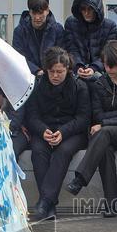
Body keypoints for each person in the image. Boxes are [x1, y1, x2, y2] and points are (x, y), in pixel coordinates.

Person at [66, 41, 117, 216]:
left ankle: (80, 178)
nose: (108, 69)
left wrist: (106, 123)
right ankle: (113, 203)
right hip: (107, 134)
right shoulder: (100, 83)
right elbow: (97, 114)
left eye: (113, 65)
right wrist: (116, 115)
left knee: (103, 132)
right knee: (104, 147)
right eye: (106, 64)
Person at [23, 47, 91, 222]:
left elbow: (83, 118)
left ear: (68, 70)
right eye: (51, 71)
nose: (55, 75)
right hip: (45, 130)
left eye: (59, 72)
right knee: (38, 151)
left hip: (72, 132)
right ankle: (50, 205)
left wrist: (63, 132)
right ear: (46, 70)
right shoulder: (38, 85)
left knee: (62, 152)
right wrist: (42, 130)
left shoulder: (79, 86)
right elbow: (32, 115)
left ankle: (45, 202)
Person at [64, 0, 117, 81]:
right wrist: (78, 66)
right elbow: (71, 49)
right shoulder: (71, 23)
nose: (86, 12)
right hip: (77, 72)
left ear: (97, 9)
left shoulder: (110, 26)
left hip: (101, 73)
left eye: (90, 9)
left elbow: (107, 53)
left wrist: (94, 68)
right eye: (83, 9)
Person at [12, 0, 65, 75]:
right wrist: (36, 71)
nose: (37, 17)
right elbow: (18, 58)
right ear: (29, 12)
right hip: (27, 77)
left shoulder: (58, 30)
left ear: (47, 11)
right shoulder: (19, 31)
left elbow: (62, 57)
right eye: (34, 13)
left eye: (40, 13)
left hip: (52, 78)